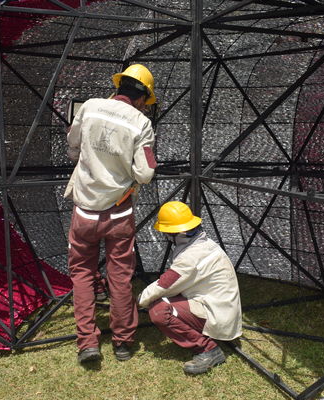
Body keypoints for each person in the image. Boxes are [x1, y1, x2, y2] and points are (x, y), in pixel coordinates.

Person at [64, 64, 157, 364]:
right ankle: (123, 343)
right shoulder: (141, 123)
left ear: (119, 87)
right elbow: (145, 174)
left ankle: (88, 344)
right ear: (143, 97)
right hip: (118, 215)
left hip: (85, 214)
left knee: (82, 275)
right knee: (119, 277)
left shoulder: (89, 108)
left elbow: (73, 145)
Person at [137, 201, 242, 374]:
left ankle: (208, 349)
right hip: (217, 306)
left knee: (159, 311)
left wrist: (139, 299)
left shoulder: (191, 257)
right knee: (160, 301)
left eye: (166, 232)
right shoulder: (202, 243)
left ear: (175, 232)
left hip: (216, 313)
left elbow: (165, 285)